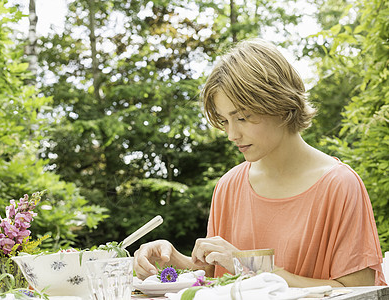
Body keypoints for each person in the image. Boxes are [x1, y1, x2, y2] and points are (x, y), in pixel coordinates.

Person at [133, 38, 386, 287]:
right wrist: (171, 260)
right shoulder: (229, 185)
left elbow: (358, 290)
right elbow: (215, 279)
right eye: (224, 121)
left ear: (280, 104)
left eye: (242, 117)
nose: (232, 134)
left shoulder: (339, 185)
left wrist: (248, 264)